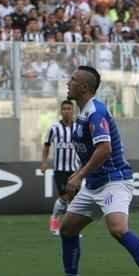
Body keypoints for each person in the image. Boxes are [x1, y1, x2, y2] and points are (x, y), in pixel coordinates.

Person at [45, 66, 139, 276]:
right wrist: (80, 175)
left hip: (114, 180)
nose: (68, 83)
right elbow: (90, 152)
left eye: (73, 80)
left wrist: (79, 176)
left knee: (118, 228)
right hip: (94, 184)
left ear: (84, 87)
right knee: (67, 229)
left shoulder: (96, 112)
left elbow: (104, 149)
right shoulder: (83, 114)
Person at [40, 99, 80, 235]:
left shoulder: (78, 128)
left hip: (75, 169)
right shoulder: (54, 128)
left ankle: (70, 229)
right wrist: (44, 162)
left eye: (69, 109)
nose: (66, 111)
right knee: (64, 197)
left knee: (73, 199)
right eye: (64, 109)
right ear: (61, 111)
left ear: (73, 111)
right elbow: (46, 145)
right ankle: (55, 223)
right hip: (60, 169)